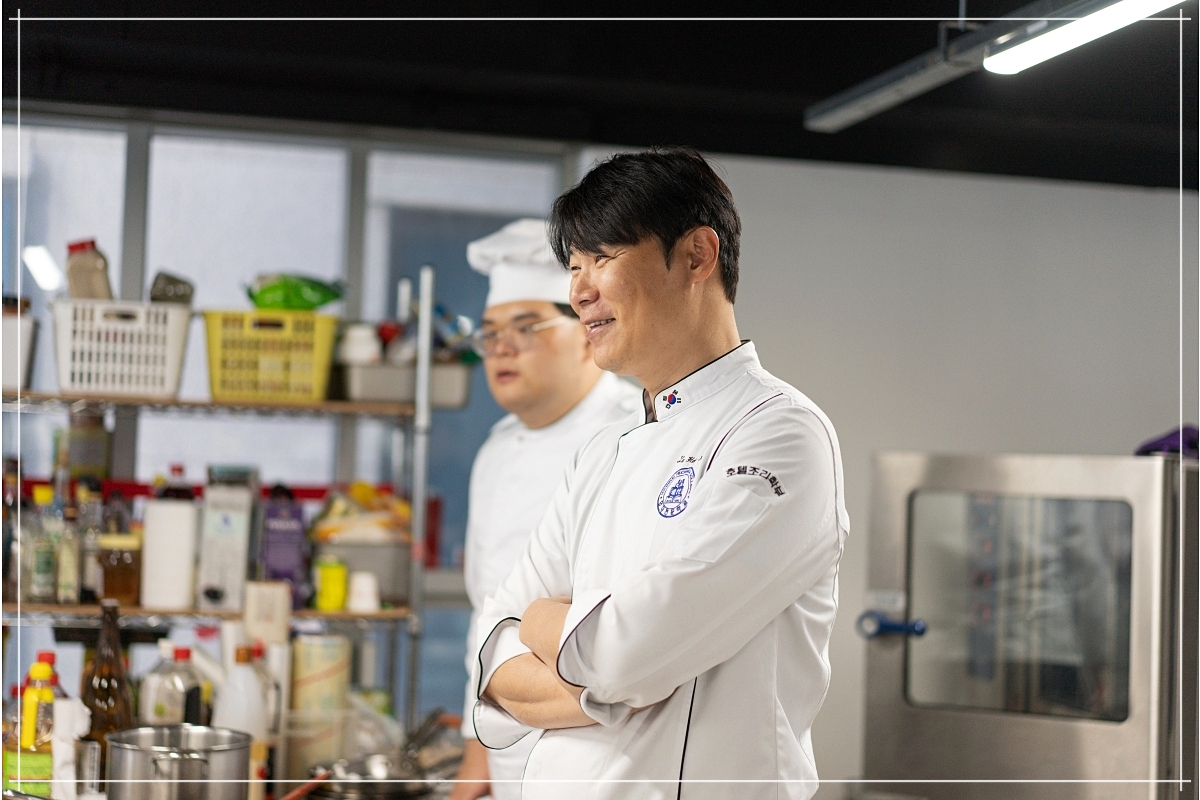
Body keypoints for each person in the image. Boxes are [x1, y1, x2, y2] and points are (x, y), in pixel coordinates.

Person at [468, 149, 849, 800]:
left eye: (603, 258)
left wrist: (545, 627)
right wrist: (605, 679)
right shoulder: (602, 451)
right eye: (574, 266)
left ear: (698, 256)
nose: (579, 291)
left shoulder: (781, 434)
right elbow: (494, 655)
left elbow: (624, 652)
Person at [450, 218, 642, 800]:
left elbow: (627, 633)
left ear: (585, 331)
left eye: (525, 327)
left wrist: (527, 627)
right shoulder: (495, 450)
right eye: (489, 334)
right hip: (506, 747)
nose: (502, 348)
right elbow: (487, 617)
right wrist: (476, 753)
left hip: (602, 757)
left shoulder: (634, 436)